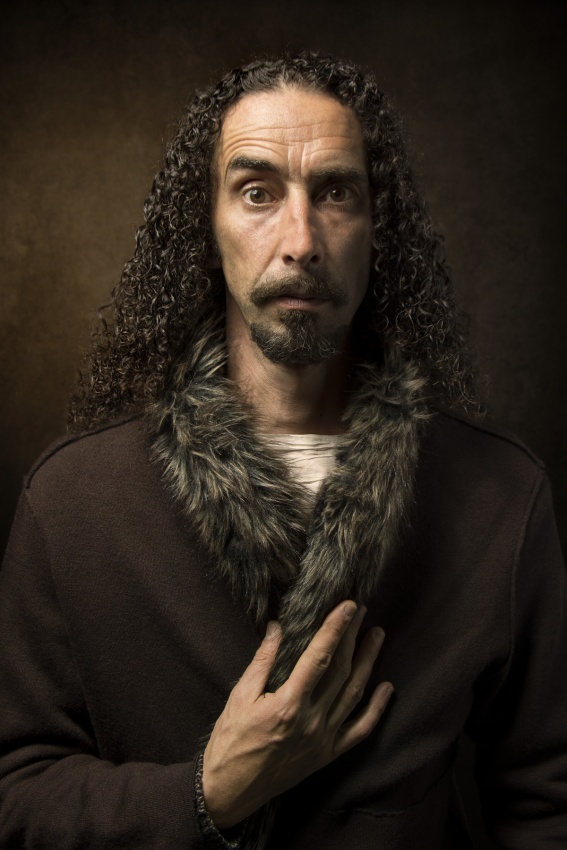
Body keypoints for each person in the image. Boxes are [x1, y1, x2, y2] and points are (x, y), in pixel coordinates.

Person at [0, 51, 566, 850]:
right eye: (257, 192)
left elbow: (546, 802)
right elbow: (15, 797)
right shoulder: (72, 502)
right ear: (207, 228)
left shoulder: (498, 496)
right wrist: (206, 793)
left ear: (377, 230)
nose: (301, 240)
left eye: (335, 193)